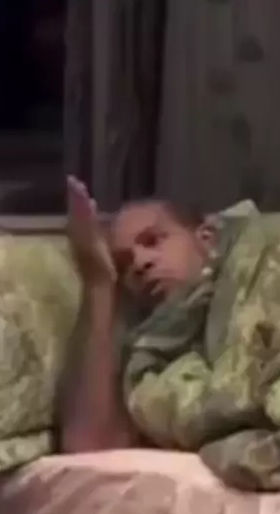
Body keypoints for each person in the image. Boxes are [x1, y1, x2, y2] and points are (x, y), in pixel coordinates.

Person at [59, 176, 215, 454]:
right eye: (124, 264)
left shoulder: (244, 289)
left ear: (206, 239)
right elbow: (88, 443)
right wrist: (98, 281)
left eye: (153, 241)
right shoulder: (144, 346)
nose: (140, 263)